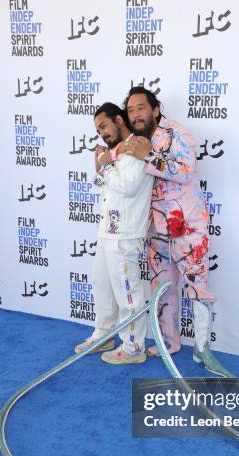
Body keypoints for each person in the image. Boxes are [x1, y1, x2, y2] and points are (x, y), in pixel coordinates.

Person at [122, 86, 217, 371]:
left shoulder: (179, 133)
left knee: (197, 289)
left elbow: (186, 172)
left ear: (155, 109)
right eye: (130, 110)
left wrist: (148, 156)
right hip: (156, 232)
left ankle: (203, 350)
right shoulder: (133, 141)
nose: (135, 114)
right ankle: (168, 343)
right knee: (162, 289)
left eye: (141, 107)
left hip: (188, 229)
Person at [74, 102, 154, 364]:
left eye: (104, 126)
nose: (102, 133)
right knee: (102, 286)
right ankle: (104, 333)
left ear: (119, 120)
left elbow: (129, 186)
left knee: (127, 291)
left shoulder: (137, 147)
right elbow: (104, 184)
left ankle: (133, 348)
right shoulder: (116, 151)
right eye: (98, 130)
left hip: (126, 234)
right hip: (107, 231)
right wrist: (103, 166)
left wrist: (106, 166)